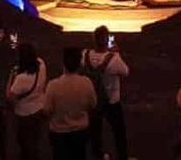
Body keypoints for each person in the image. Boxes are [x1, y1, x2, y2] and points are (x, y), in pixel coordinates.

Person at [83, 25, 130, 160]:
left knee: (95, 132)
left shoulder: (85, 55)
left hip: (93, 100)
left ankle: (98, 155)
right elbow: (126, 72)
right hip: (111, 100)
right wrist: (117, 53)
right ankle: (122, 156)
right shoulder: (114, 58)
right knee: (119, 132)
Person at [44, 45, 97, 160]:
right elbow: (93, 104)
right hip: (80, 132)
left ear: (63, 63)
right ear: (79, 64)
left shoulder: (53, 85)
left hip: (59, 133)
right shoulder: (86, 83)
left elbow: (47, 110)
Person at [7, 41, 48, 160]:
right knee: (35, 140)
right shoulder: (41, 64)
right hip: (39, 108)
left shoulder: (21, 78)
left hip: (24, 114)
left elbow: (10, 97)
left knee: (24, 142)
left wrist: (11, 75)